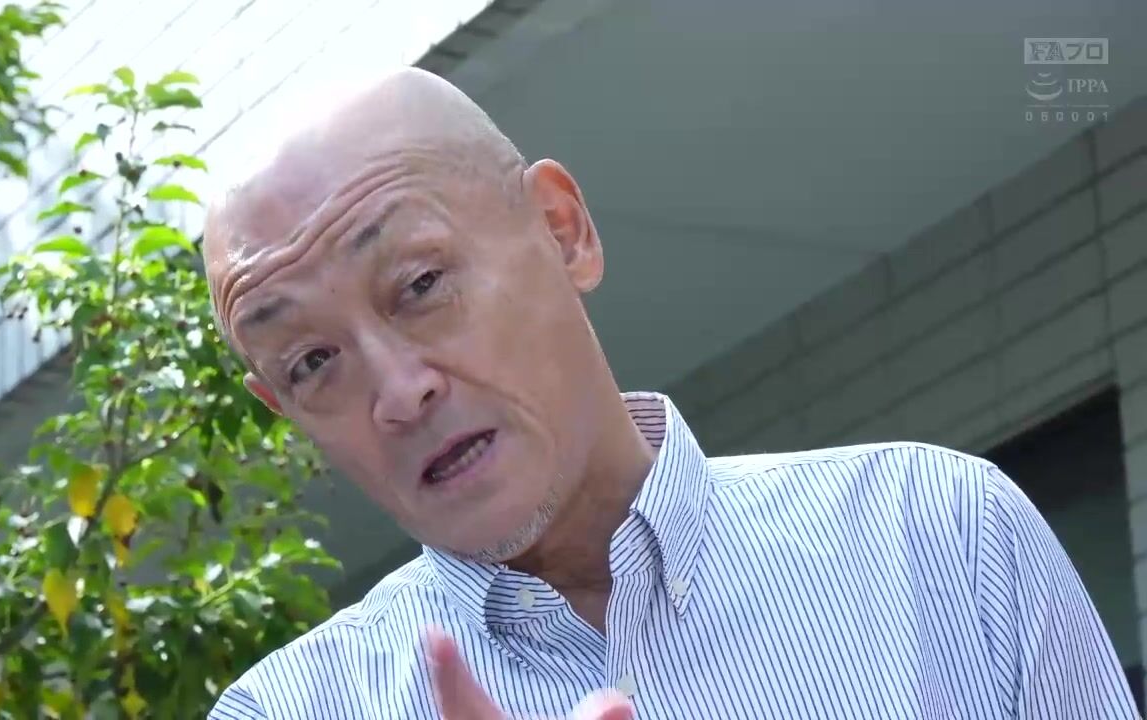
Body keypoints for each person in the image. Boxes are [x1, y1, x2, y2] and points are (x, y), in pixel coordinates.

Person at [201, 66, 1137, 719]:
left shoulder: (938, 538)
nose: (398, 394)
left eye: (419, 285)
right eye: (311, 363)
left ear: (562, 231)